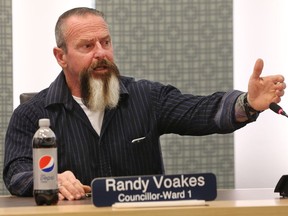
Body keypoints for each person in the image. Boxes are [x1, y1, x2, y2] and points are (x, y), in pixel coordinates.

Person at [3, 7, 286, 201]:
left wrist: (247, 103)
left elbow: (202, 112)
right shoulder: (33, 113)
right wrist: (48, 179)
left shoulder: (145, 97)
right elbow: (16, 174)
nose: (101, 53)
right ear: (61, 56)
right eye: (87, 46)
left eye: (106, 42)